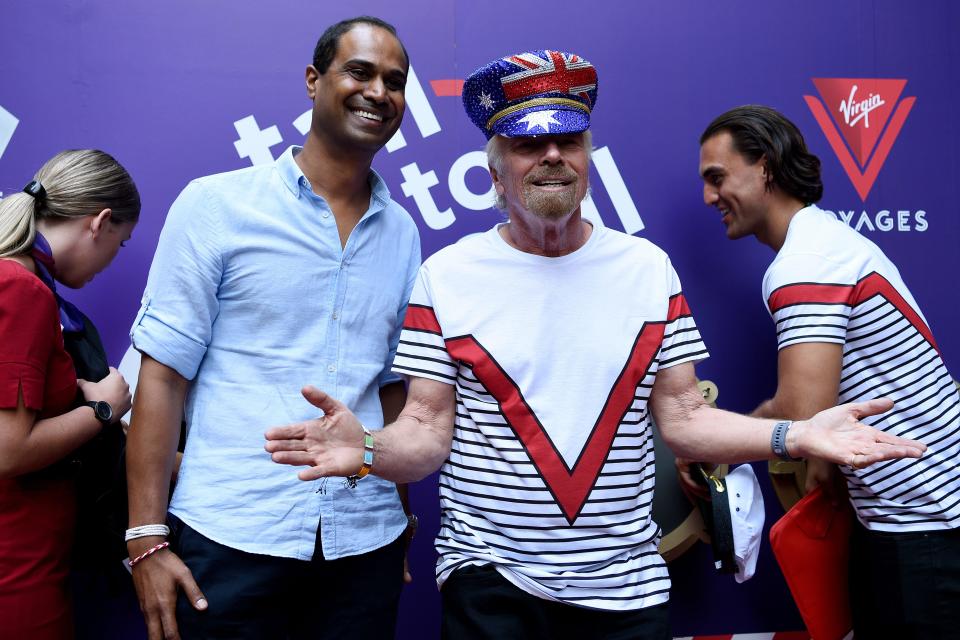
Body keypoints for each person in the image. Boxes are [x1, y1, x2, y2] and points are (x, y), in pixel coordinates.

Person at [264, 50, 926, 639]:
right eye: (528, 142)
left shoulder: (646, 270)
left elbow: (685, 423)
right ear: (495, 172)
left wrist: (797, 436)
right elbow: (427, 432)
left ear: (587, 159)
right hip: (491, 587)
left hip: (627, 590)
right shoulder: (447, 276)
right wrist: (368, 450)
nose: (552, 154)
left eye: (569, 139)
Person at [125, 16, 421, 640]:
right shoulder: (216, 206)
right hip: (232, 536)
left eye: (395, 82)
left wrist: (399, 515)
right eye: (359, 72)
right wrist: (146, 539)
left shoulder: (401, 234)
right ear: (314, 81)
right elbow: (161, 378)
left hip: (363, 545)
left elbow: (392, 385)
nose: (379, 92)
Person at [698, 104, 960, 639]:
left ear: (765, 168)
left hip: (924, 524)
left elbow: (801, 410)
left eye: (717, 177)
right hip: (904, 516)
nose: (709, 197)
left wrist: (712, 444)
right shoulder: (823, 244)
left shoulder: (806, 260)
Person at [0, 149, 136, 639]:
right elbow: (8, 450)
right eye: (119, 244)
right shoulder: (22, 288)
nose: (112, 260)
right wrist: (103, 407)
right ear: (99, 223)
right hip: (16, 570)